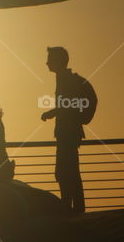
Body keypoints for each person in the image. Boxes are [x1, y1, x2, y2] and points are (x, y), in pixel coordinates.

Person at [41, 47, 96, 214]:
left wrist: (51, 112)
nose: (47, 62)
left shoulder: (65, 80)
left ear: (58, 61)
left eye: (50, 59)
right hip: (69, 132)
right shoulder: (64, 79)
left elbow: (67, 105)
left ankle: (71, 208)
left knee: (64, 172)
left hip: (67, 133)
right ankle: (75, 207)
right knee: (69, 171)